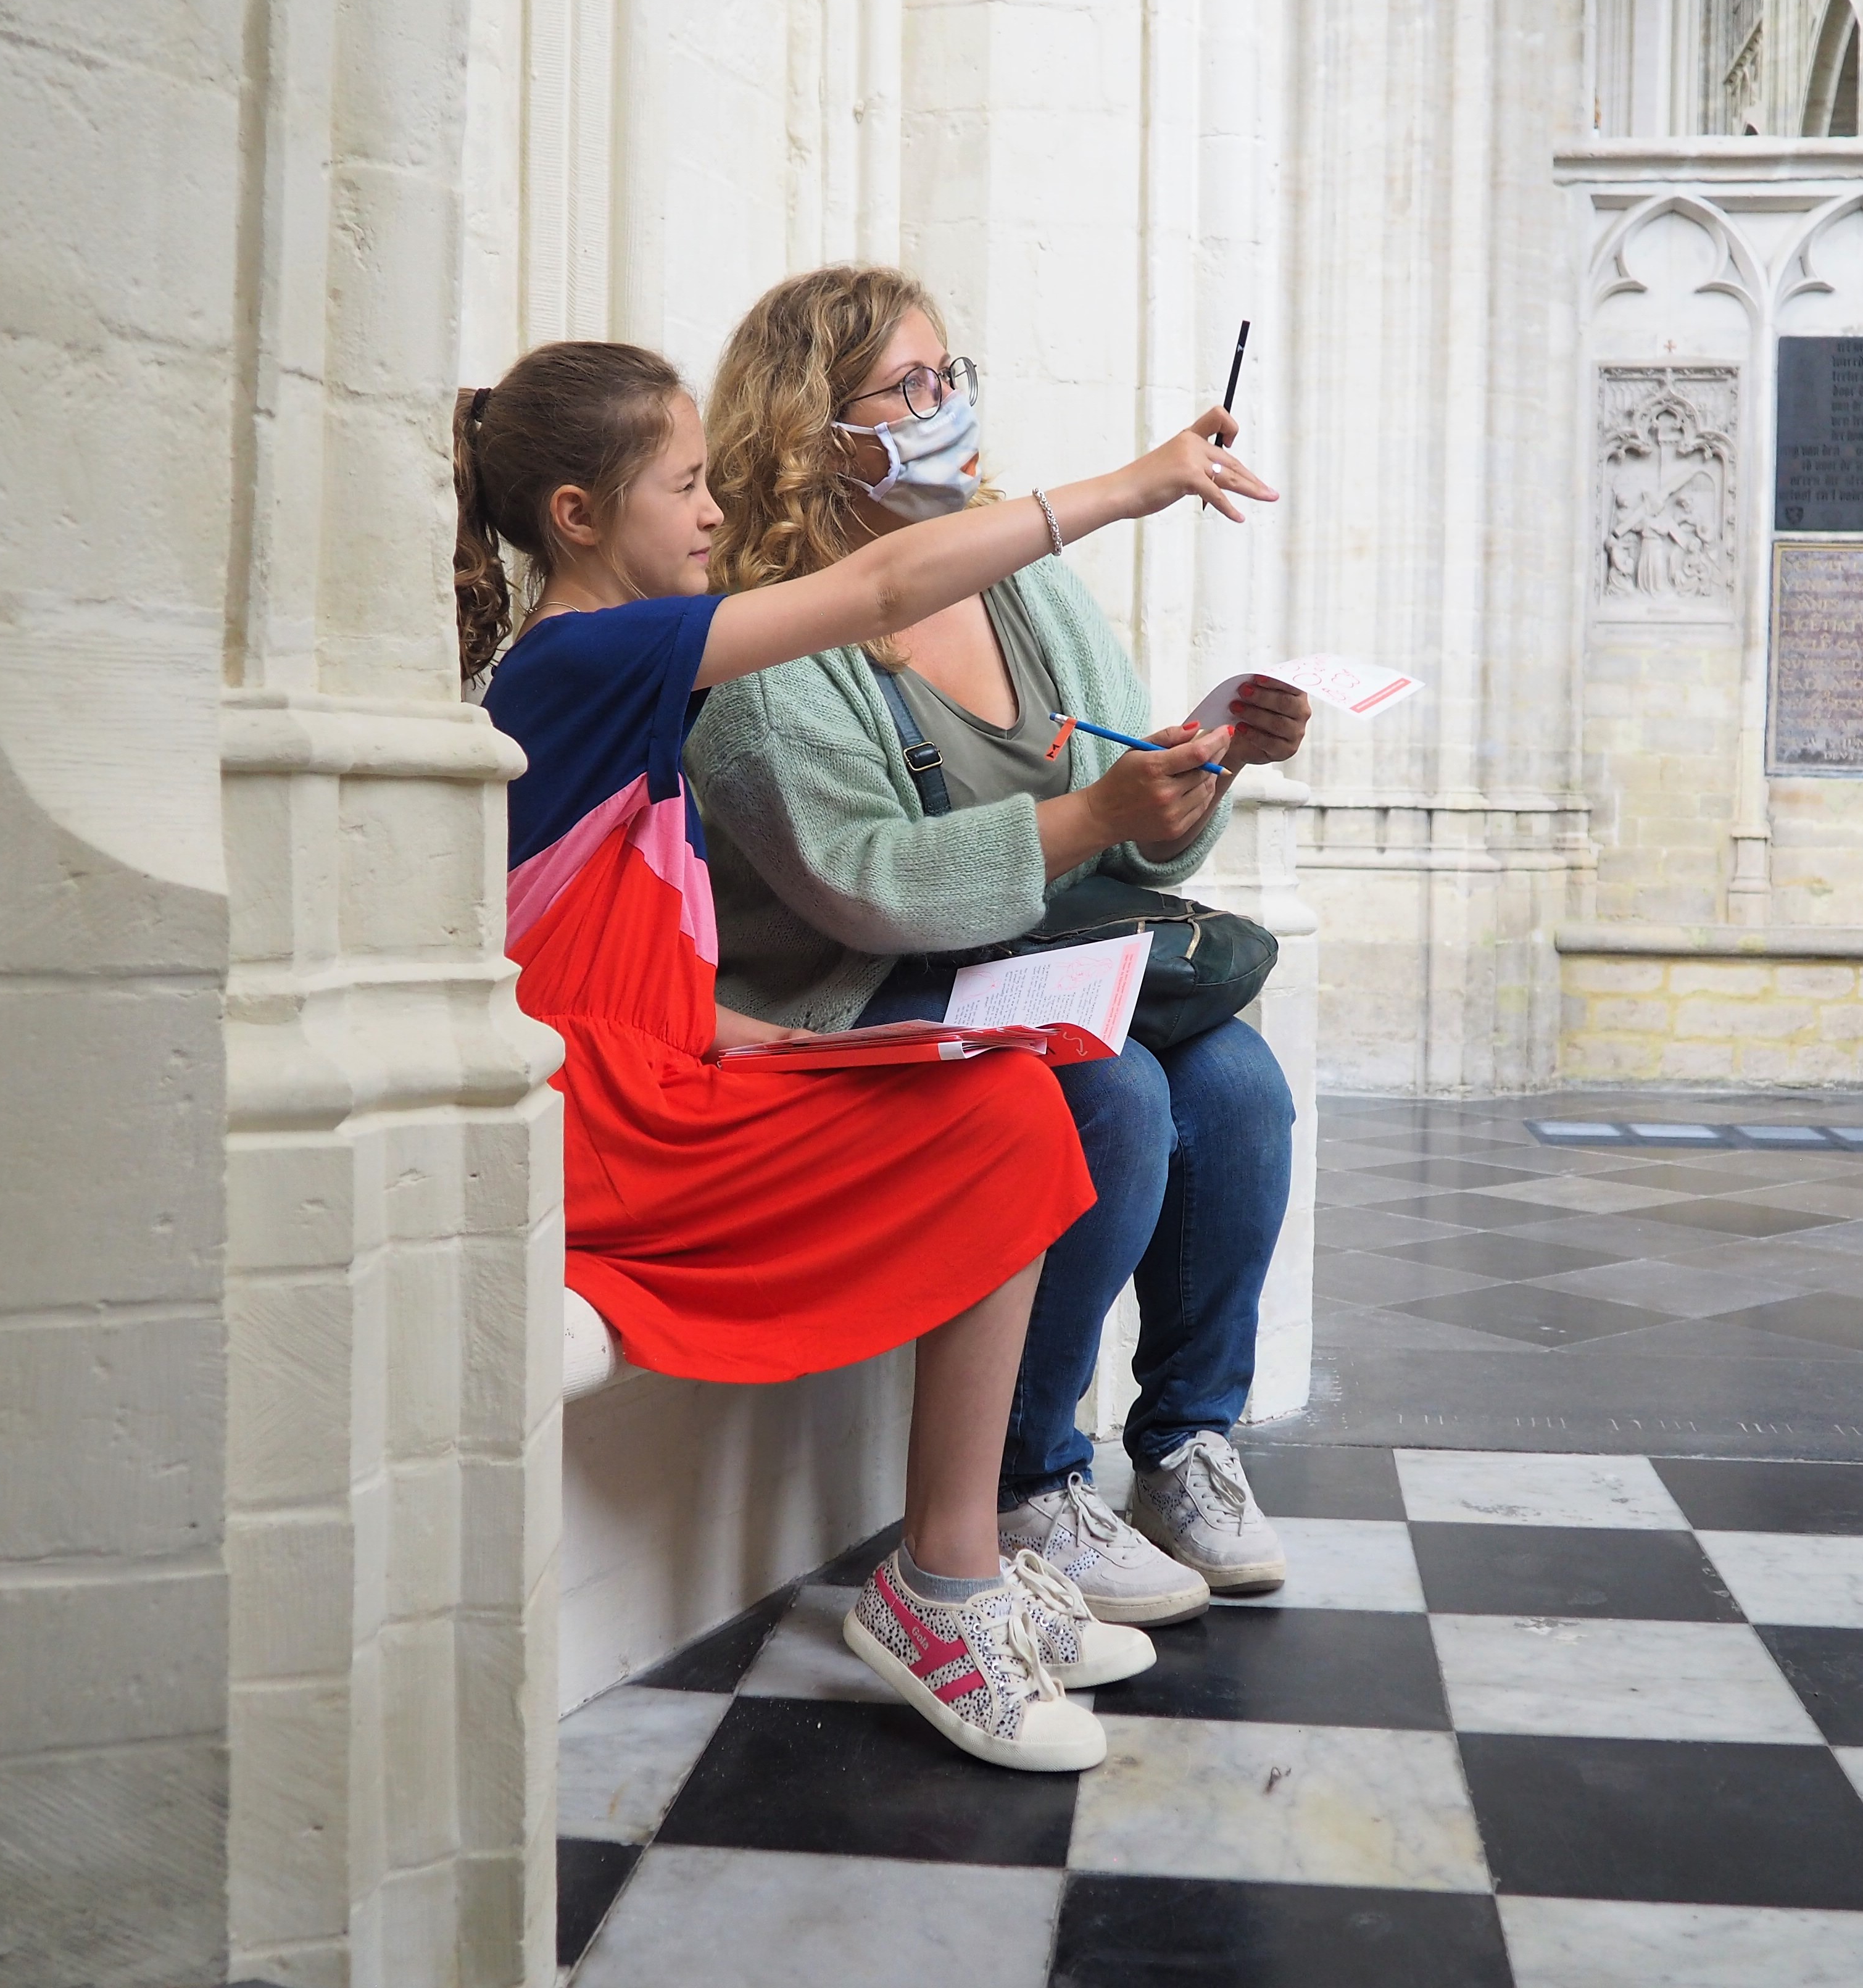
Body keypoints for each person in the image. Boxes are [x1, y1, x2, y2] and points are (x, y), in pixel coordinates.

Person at [454, 338, 1274, 1772]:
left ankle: (972, 1553)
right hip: (612, 1129)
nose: (711, 514)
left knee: (1000, 1080)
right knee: (1016, 1111)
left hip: (654, 1075)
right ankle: (945, 1582)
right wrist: (1138, 485)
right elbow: (884, 589)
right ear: (579, 518)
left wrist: (768, 1042)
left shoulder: (605, 675)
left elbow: (578, 950)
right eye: (685, 484)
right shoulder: (588, 651)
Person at [690, 265, 1309, 1631]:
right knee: (1115, 1092)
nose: (945, 408)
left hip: (1045, 961)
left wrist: (1201, 774)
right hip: (855, 990)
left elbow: (1133, 835)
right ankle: (1032, 1476)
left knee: (1239, 1084)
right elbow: (863, 888)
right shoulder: (765, 636)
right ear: (812, 429)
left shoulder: (1020, 583)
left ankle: (1184, 1444)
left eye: (950, 376)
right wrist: (1092, 812)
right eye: (907, 388)